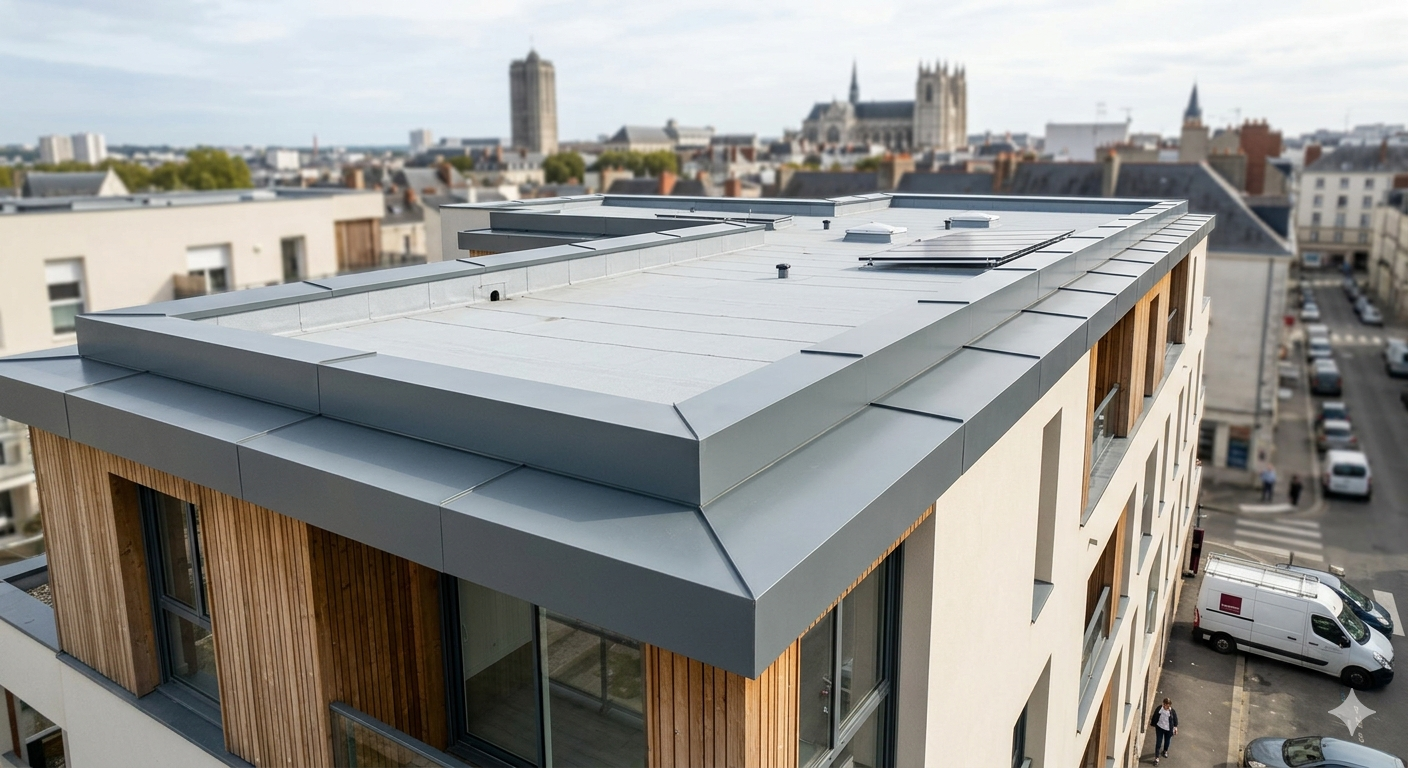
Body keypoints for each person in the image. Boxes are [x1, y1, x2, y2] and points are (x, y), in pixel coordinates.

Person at [1150, 697, 1178, 764]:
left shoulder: (1172, 712)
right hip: (1159, 728)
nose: (1167, 707)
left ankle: (1165, 751)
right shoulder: (1159, 709)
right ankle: (1156, 758)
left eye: (1168, 706)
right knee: (1158, 742)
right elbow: (1155, 716)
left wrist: (1175, 728)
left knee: (1167, 741)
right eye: (1166, 705)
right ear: (1163, 704)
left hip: (1168, 729)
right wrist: (1153, 723)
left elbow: (1175, 720)